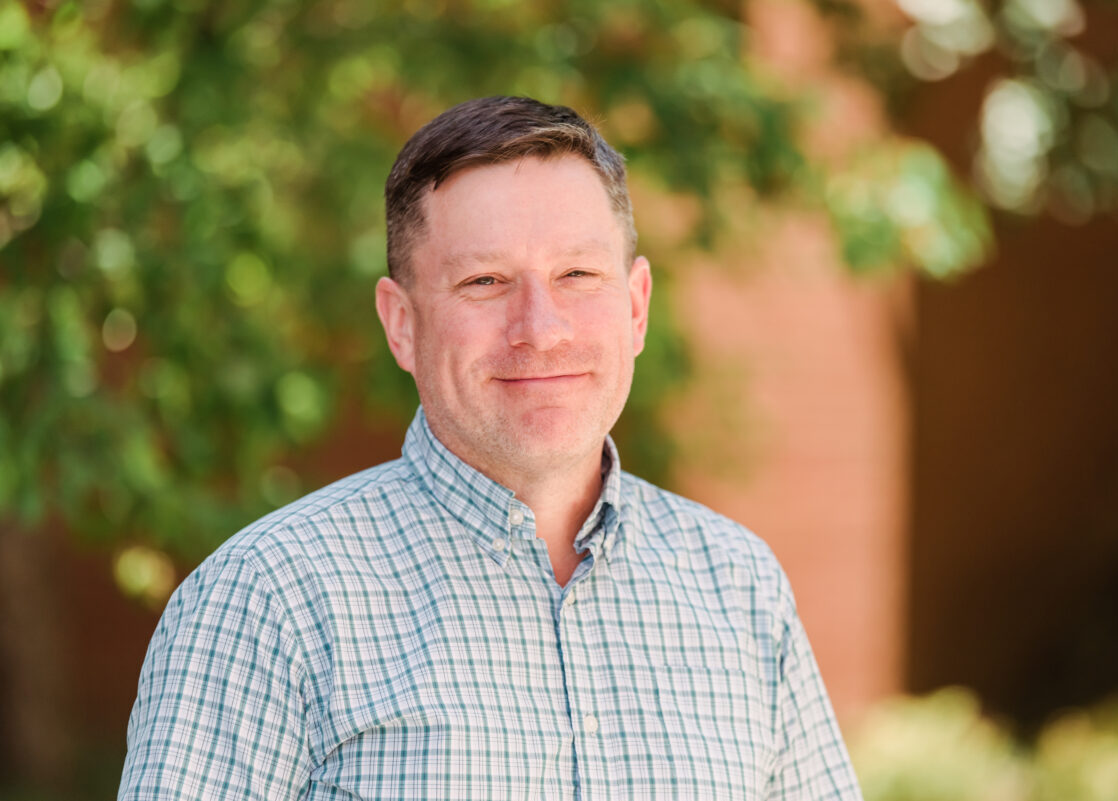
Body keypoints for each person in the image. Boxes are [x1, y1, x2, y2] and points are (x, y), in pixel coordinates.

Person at [119, 96, 862, 800]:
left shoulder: (739, 587)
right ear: (401, 322)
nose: (541, 328)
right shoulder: (268, 601)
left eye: (577, 274)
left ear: (635, 307)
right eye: (485, 281)